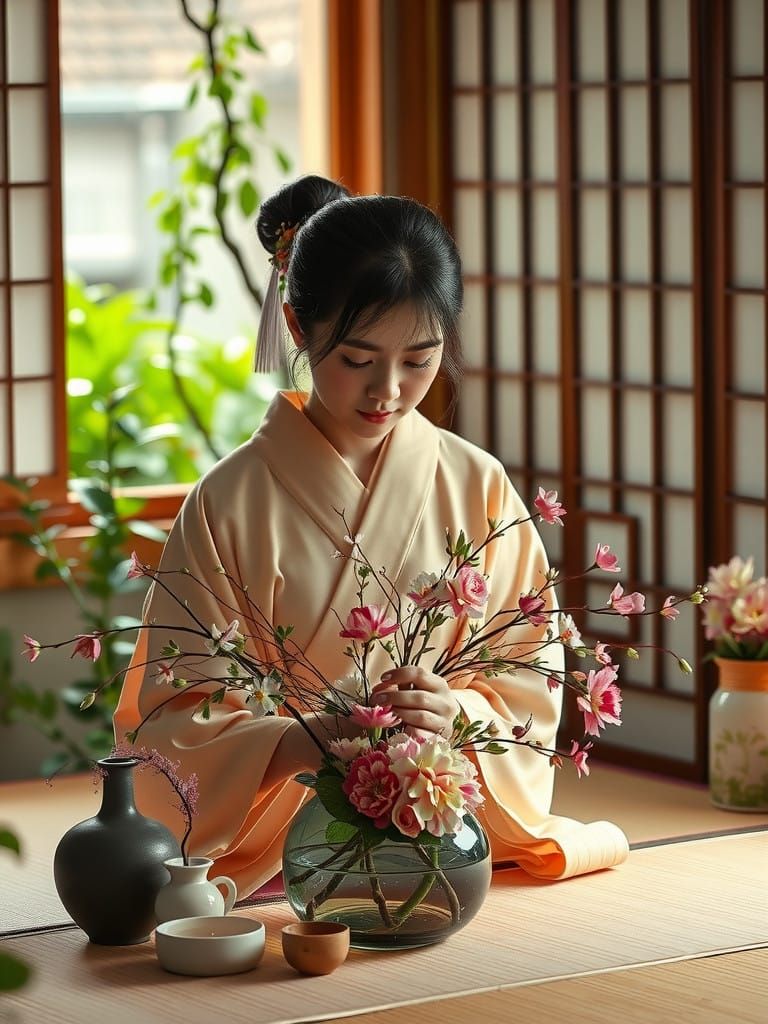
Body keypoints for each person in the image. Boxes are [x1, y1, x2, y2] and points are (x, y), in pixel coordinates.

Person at [114, 175, 628, 896]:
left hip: (444, 831)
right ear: (299, 329)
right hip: (281, 844)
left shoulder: (476, 484)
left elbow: (526, 670)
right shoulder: (226, 503)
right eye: (358, 359)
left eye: (418, 361)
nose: (387, 391)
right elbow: (171, 717)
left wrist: (456, 715)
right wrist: (296, 741)